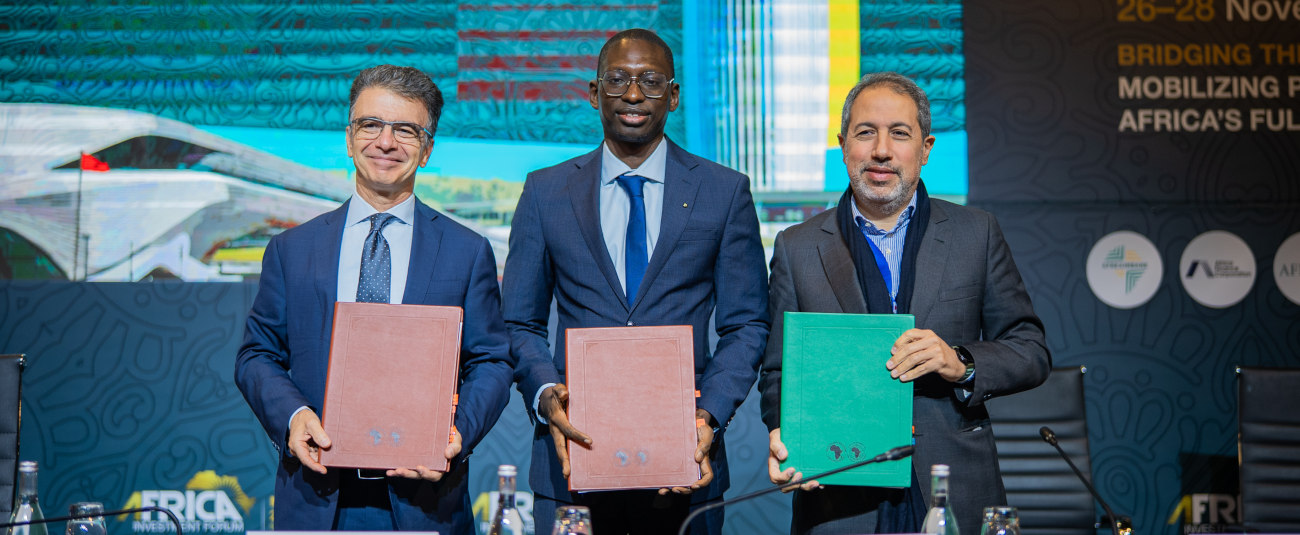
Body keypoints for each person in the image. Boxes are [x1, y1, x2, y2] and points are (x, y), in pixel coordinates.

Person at [502, 28, 770, 535]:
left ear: (672, 95)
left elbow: (747, 325)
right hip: (572, 463)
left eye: (649, 81)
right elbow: (518, 321)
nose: (631, 95)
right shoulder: (545, 191)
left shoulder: (724, 191)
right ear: (593, 92)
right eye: (617, 80)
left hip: (686, 465)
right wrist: (544, 395)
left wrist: (707, 418)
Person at [758, 71, 1051, 535]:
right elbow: (778, 371)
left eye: (900, 133)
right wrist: (786, 432)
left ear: (926, 148)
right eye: (865, 132)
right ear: (842, 145)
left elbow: (1030, 350)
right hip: (839, 491)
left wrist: (961, 362)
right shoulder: (797, 247)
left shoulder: (976, 234)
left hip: (954, 486)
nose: (881, 150)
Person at [234, 64, 515, 533]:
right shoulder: (292, 249)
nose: (386, 142)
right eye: (371, 125)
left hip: (425, 501)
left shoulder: (467, 251)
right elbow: (256, 354)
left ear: (426, 150)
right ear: (349, 138)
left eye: (406, 129)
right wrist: (294, 416)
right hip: (317, 495)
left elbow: (492, 361)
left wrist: (454, 435)